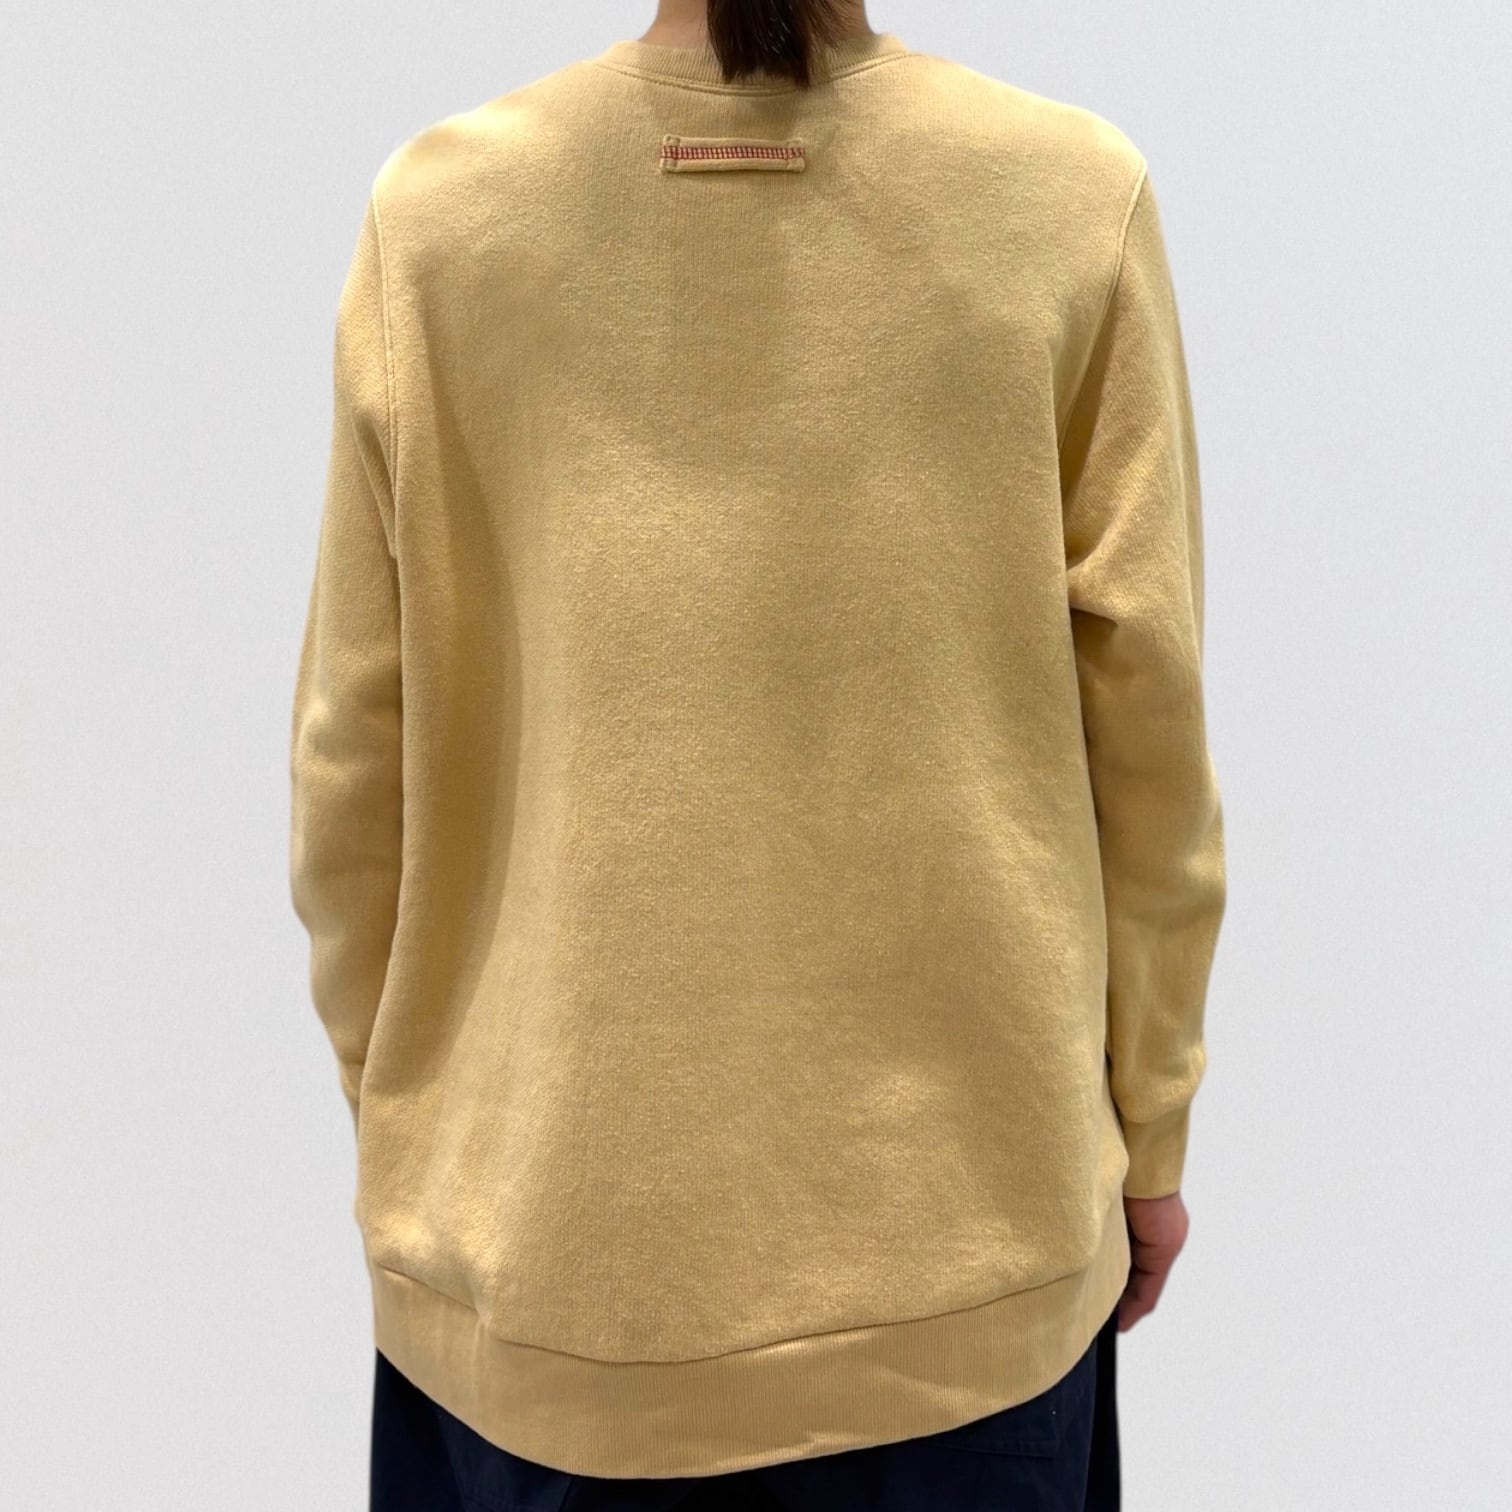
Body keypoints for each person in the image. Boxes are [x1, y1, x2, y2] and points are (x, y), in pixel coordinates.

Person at [287, 1, 1228, 1507]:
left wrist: (421, 1130)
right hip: (968, 1276)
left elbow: (352, 762)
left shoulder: (444, 217)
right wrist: (1151, 1123)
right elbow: (1151, 736)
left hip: (544, 1276)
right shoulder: (1065, 195)